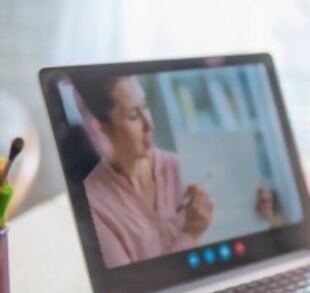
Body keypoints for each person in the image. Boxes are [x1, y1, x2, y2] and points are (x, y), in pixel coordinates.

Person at [76, 75, 274, 267]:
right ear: (101, 129)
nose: (149, 124)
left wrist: (257, 221)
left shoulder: (184, 167)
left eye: (145, 106)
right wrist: (190, 235)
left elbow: (234, 250)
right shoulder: (94, 207)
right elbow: (133, 291)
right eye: (134, 116)